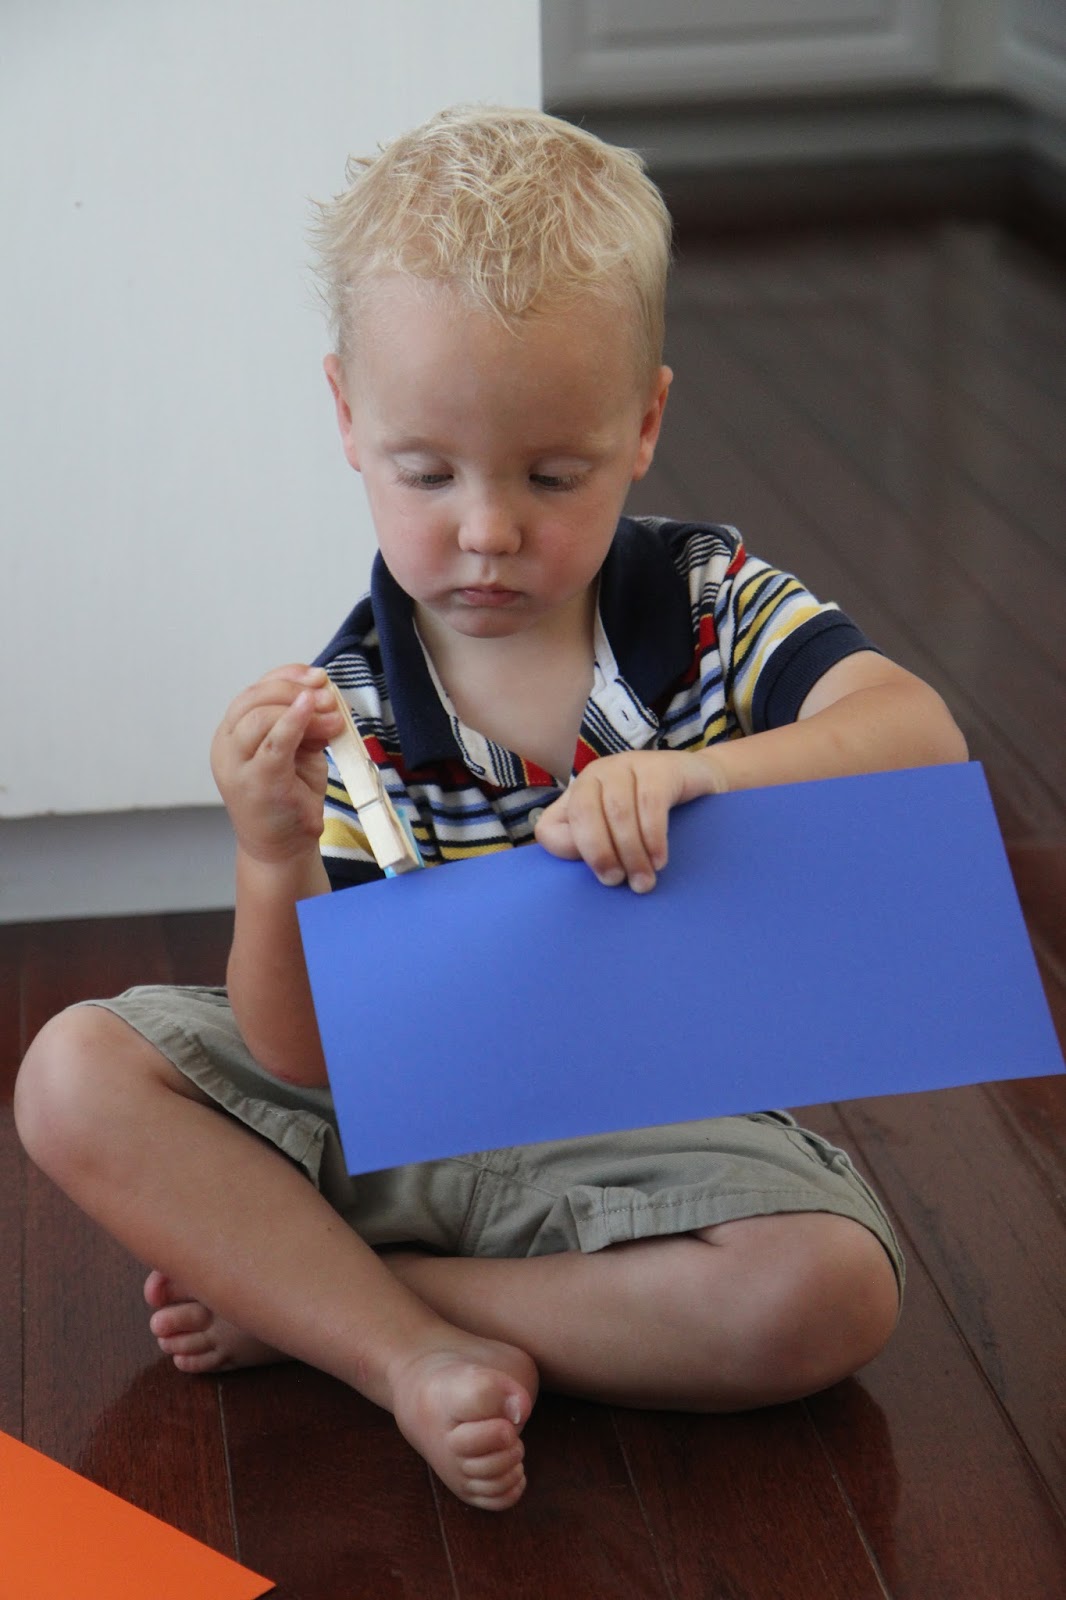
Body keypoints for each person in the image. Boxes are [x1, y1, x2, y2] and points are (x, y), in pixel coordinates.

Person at [14, 106, 967, 1513]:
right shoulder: (346, 708)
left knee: (829, 1296)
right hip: (395, 1122)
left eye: (549, 475)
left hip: (638, 1138)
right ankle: (404, 1358)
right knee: (70, 1073)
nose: (485, 530)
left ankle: (333, 1305)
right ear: (347, 420)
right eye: (427, 472)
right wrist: (271, 855)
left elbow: (918, 738)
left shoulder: (708, 608)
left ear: (642, 423)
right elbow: (306, 1055)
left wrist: (699, 771)